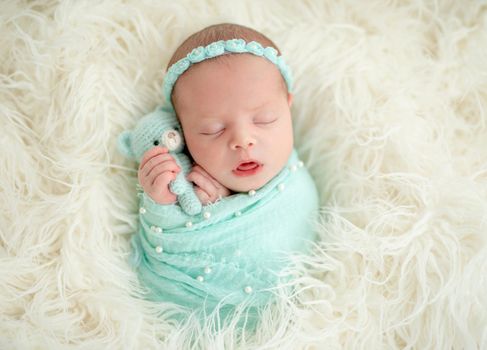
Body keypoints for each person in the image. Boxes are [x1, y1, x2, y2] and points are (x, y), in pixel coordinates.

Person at [128, 23, 319, 326]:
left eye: (265, 119)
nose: (243, 140)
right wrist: (161, 202)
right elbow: (167, 248)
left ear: (288, 107)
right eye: (213, 130)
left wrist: (226, 199)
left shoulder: (292, 179)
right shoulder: (184, 180)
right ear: (184, 132)